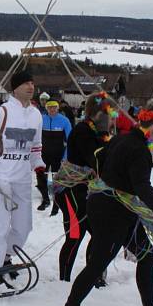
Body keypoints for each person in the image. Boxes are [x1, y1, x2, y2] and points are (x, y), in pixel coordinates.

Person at [60, 100, 153, 306]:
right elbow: (143, 187)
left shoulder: (122, 138)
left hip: (117, 207)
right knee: (98, 264)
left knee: (146, 254)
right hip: (111, 212)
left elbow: (101, 159)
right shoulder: (139, 150)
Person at [0, 71, 45, 279]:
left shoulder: (36, 115)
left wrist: (39, 168)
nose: (30, 87)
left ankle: (5, 256)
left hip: (22, 178)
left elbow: (36, 147)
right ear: (15, 88)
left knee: (24, 226)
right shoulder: (0, 113)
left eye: (32, 82)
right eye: (26, 83)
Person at [56, 92, 111, 284]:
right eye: (106, 113)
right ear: (96, 113)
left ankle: (94, 276)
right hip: (70, 188)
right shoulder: (82, 130)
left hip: (89, 190)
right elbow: (95, 159)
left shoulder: (100, 133)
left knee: (98, 235)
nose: (110, 118)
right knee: (75, 235)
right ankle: (64, 279)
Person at [39, 100, 72, 214]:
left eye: (54, 107)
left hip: (58, 155)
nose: (52, 109)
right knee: (41, 178)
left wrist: (66, 157)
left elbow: (70, 140)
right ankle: (45, 199)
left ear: (58, 108)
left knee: (56, 181)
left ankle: (56, 204)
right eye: (49, 107)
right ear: (46, 108)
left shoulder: (64, 121)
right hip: (43, 154)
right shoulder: (41, 119)